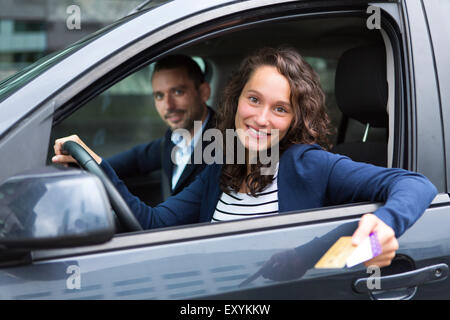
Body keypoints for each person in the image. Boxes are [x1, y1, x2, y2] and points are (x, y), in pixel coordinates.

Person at [53, 47, 437, 268]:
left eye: (280, 109)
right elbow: (153, 224)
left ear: (293, 120)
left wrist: (383, 229)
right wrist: (97, 167)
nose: (261, 118)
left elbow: (414, 184)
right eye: (254, 100)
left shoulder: (309, 164)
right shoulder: (219, 169)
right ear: (236, 100)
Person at [106, 54, 216, 200]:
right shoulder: (173, 139)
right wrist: (83, 165)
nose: (168, 105)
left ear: (204, 92)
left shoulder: (227, 146)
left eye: (178, 92)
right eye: (159, 96)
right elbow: (137, 158)